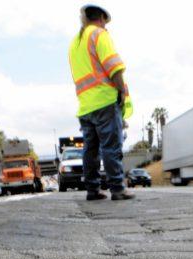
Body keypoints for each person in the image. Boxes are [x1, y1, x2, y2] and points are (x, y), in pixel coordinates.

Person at [69, 4, 135, 201]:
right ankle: (117, 188)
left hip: (85, 105)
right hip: (104, 100)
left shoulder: (75, 42)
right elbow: (114, 67)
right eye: (105, 21)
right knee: (111, 147)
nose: (106, 26)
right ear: (100, 18)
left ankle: (93, 189)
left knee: (90, 150)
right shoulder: (98, 34)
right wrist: (122, 92)